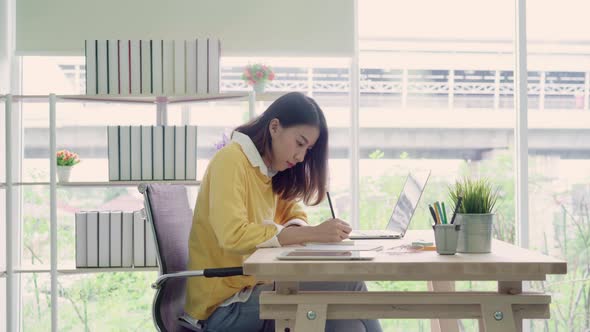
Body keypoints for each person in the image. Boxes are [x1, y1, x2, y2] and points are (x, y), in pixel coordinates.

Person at [182, 92, 382, 332]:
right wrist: (311, 234)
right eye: (299, 143)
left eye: (308, 149)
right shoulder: (231, 161)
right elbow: (232, 234)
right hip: (223, 308)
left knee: (348, 325)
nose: (300, 157)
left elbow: (293, 214)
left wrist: (302, 231)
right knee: (351, 286)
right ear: (274, 127)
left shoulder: (268, 170)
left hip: (254, 290)